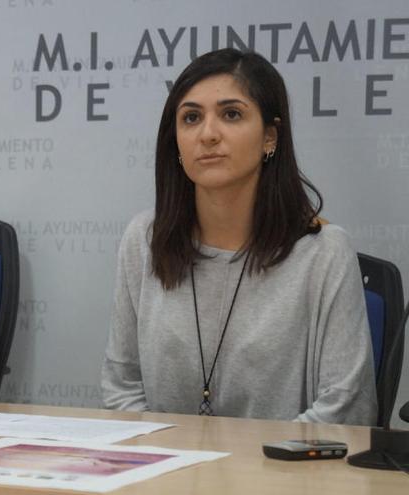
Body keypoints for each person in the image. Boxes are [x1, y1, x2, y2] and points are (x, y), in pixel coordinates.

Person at [100, 48, 376, 424]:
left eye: (231, 114)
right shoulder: (144, 240)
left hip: (281, 476)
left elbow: (346, 410)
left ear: (270, 137)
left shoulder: (324, 253)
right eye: (191, 118)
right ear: (176, 142)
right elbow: (121, 389)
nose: (208, 134)